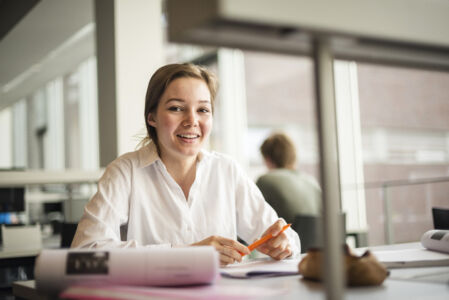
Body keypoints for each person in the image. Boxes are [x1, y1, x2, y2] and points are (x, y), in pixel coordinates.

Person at [71, 63, 300, 265]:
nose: (192, 121)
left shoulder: (226, 170)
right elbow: (84, 256)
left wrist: (282, 243)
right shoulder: (125, 173)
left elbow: (288, 239)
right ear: (152, 117)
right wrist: (188, 254)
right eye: (176, 108)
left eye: (203, 110)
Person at [256, 133, 321, 225]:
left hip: (290, 237)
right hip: (322, 238)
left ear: (268, 159)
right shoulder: (311, 181)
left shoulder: (265, 180)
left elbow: (254, 220)